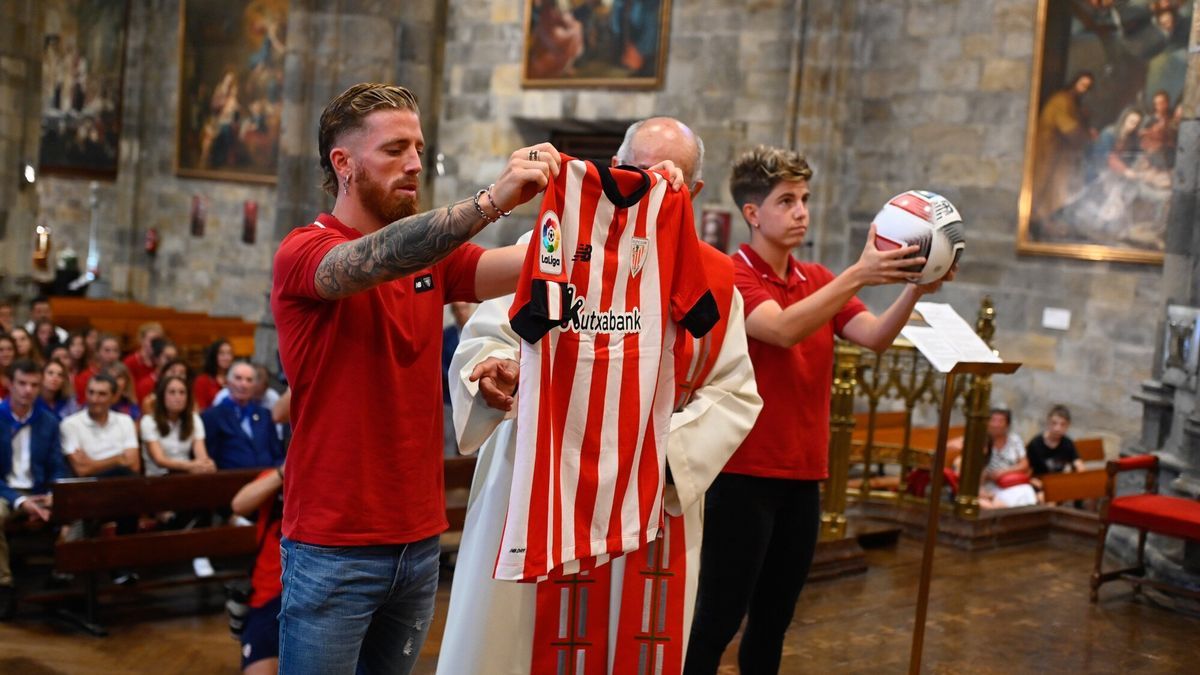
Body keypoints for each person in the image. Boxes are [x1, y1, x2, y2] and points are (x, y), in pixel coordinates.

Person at [437, 116, 761, 675]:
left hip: (650, 497)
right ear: (613, 169)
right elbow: (490, 335)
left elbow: (734, 392)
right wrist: (497, 372)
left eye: (668, 177)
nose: (648, 187)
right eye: (635, 171)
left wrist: (649, 453)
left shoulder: (713, 279)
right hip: (541, 475)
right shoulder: (549, 241)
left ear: (695, 191)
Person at [270, 82, 572, 675]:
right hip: (333, 546)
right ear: (343, 163)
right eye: (394, 150)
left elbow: (535, 265)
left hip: (418, 538)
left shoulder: (434, 257)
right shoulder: (304, 251)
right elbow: (374, 259)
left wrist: (610, 209)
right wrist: (492, 201)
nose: (414, 164)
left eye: (419, 149)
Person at [685, 145, 952, 674]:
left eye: (805, 198)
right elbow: (781, 330)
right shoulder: (732, 275)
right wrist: (859, 274)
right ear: (753, 214)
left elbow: (873, 336)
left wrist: (918, 289)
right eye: (786, 201)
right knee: (717, 618)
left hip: (804, 475)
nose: (802, 211)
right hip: (742, 475)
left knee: (773, 619)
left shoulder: (818, 276)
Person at [1, 359, 68, 619]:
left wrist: (54, 493)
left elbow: (57, 466)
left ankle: (64, 574)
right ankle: (3, 585)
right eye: (22, 384)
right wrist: (19, 501)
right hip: (5, 491)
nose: (27, 390)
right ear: (9, 384)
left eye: (33, 385)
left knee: (85, 509)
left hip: (39, 490)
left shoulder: (48, 421)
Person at [230, 463, 286, 675]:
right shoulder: (277, 475)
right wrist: (285, 471)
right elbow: (239, 504)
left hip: (316, 593)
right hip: (269, 592)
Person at [1031, 72, 1095, 224]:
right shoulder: (1061, 100)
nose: (1084, 89)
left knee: (1060, 184)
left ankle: (1046, 219)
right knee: (1044, 181)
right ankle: (1036, 218)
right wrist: (1087, 137)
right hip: (1049, 148)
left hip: (1060, 151)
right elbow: (1068, 127)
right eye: (1082, 84)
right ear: (1074, 82)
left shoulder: (1073, 103)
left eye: (1087, 87)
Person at [200, 362, 281, 470]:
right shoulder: (212, 416)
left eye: (249, 380)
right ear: (228, 382)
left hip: (267, 478)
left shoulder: (265, 414)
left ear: (254, 386)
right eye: (238, 378)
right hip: (230, 481)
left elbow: (277, 454)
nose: (244, 384)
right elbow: (210, 458)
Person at [954, 408, 1037, 510]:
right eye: (993, 420)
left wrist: (1001, 474)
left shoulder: (986, 459)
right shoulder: (964, 460)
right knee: (993, 507)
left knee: (1024, 492)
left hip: (996, 485)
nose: (996, 425)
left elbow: (1024, 464)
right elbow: (964, 486)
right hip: (970, 495)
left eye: (1000, 421)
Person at [142, 375, 214, 476]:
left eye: (182, 392)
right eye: (172, 392)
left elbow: (201, 456)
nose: (178, 397)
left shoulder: (194, 419)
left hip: (186, 476)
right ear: (162, 396)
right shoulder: (148, 421)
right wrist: (191, 466)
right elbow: (160, 460)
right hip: (158, 478)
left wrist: (206, 465)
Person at [1027, 404, 1083, 495]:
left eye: (1062, 424)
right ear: (1048, 422)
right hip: (1039, 484)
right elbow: (1026, 471)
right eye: (1054, 423)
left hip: (1058, 484)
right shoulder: (1035, 444)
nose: (1057, 428)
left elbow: (1078, 464)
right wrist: (1031, 481)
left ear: (1067, 426)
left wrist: (1078, 474)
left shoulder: (1067, 443)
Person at [441, 302, 474, 457]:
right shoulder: (446, 336)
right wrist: (456, 379)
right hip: (449, 397)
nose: (462, 313)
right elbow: (441, 364)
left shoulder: (477, 331)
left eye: (464, 308)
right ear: (453, 312)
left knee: (471, 439)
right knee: (448, 437)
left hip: (472, 395)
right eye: (457, 309)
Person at [74, 333, 121, 404]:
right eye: (107, 350)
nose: (112, 355)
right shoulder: (85, 376)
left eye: (115, 350)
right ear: (97, 352)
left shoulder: (122, 374)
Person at [134, 337, 179, 403]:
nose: (172, 362)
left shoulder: (180, 382)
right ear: (156, 359)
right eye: (168, 358)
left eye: (175, 358)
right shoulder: (145, 385)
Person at [194, 339, 233, 411]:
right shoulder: (203, 380)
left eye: (229, 353)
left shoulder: (234, 380)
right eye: (222, 353)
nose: (226, 357)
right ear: (214, 356)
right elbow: (201, 409)